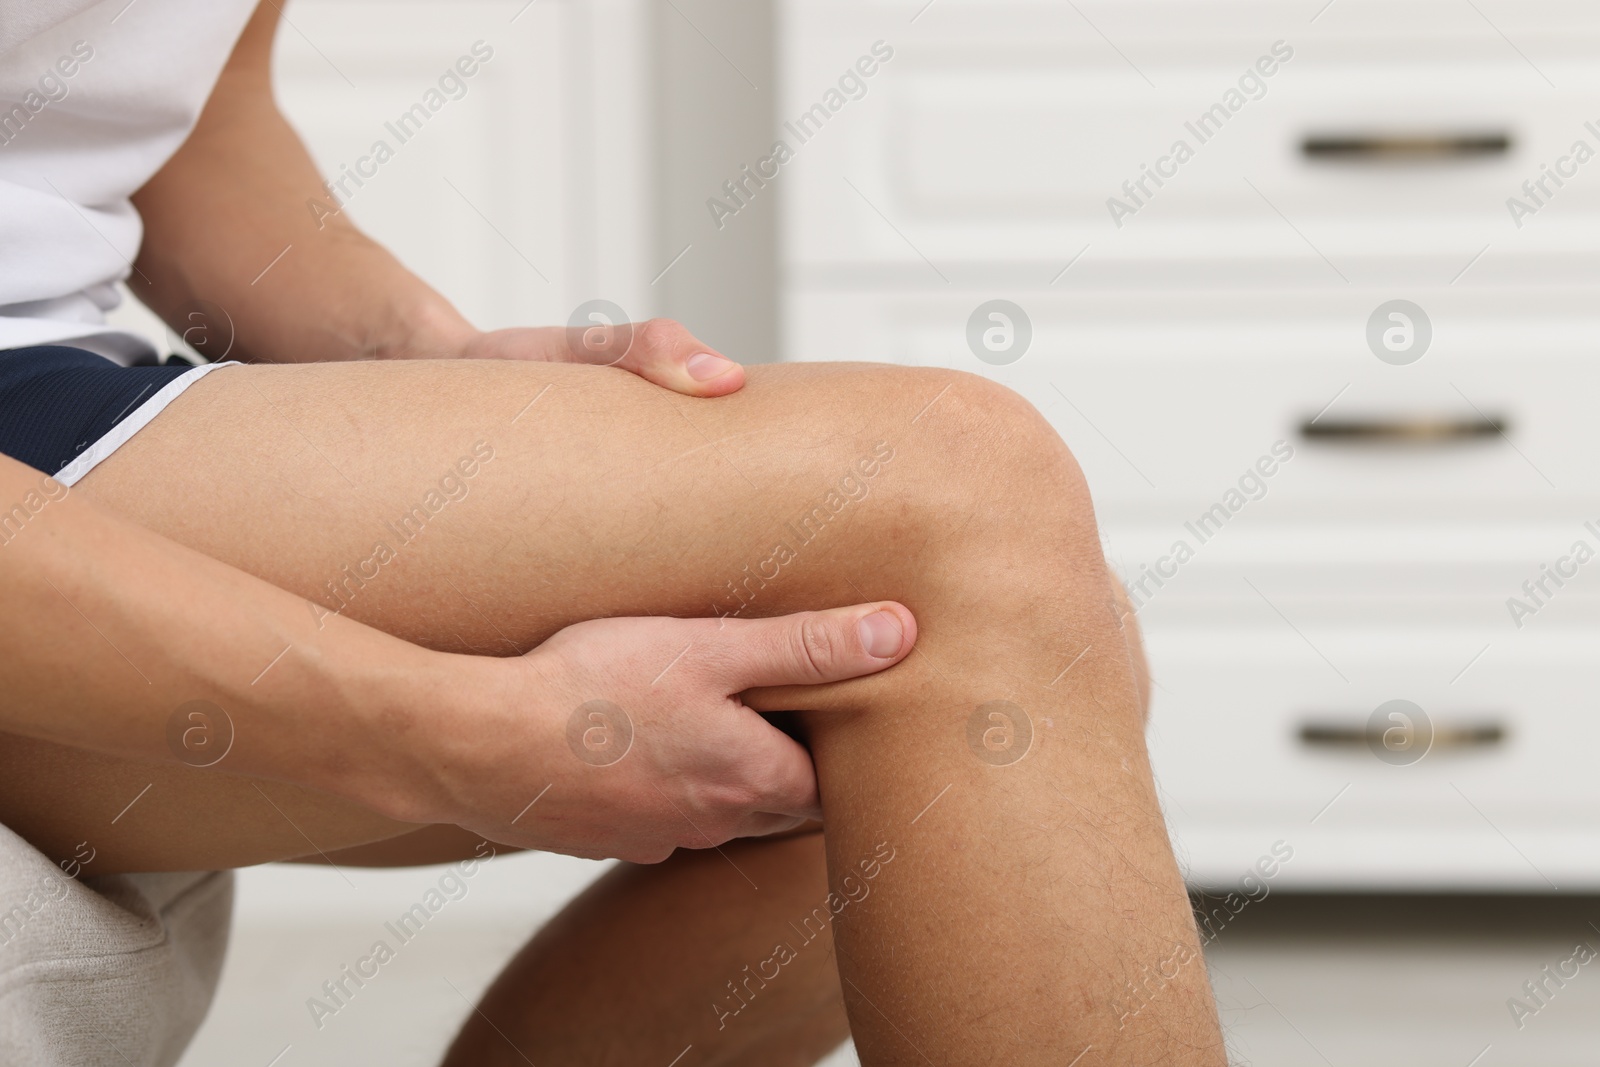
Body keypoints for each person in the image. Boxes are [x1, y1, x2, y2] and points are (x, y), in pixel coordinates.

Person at [0, 1, 1227, 1064]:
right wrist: (456, 730)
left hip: (64, 374)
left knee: (1019, 649)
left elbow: (182, 116)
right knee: (952, 495)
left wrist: (427, 359)